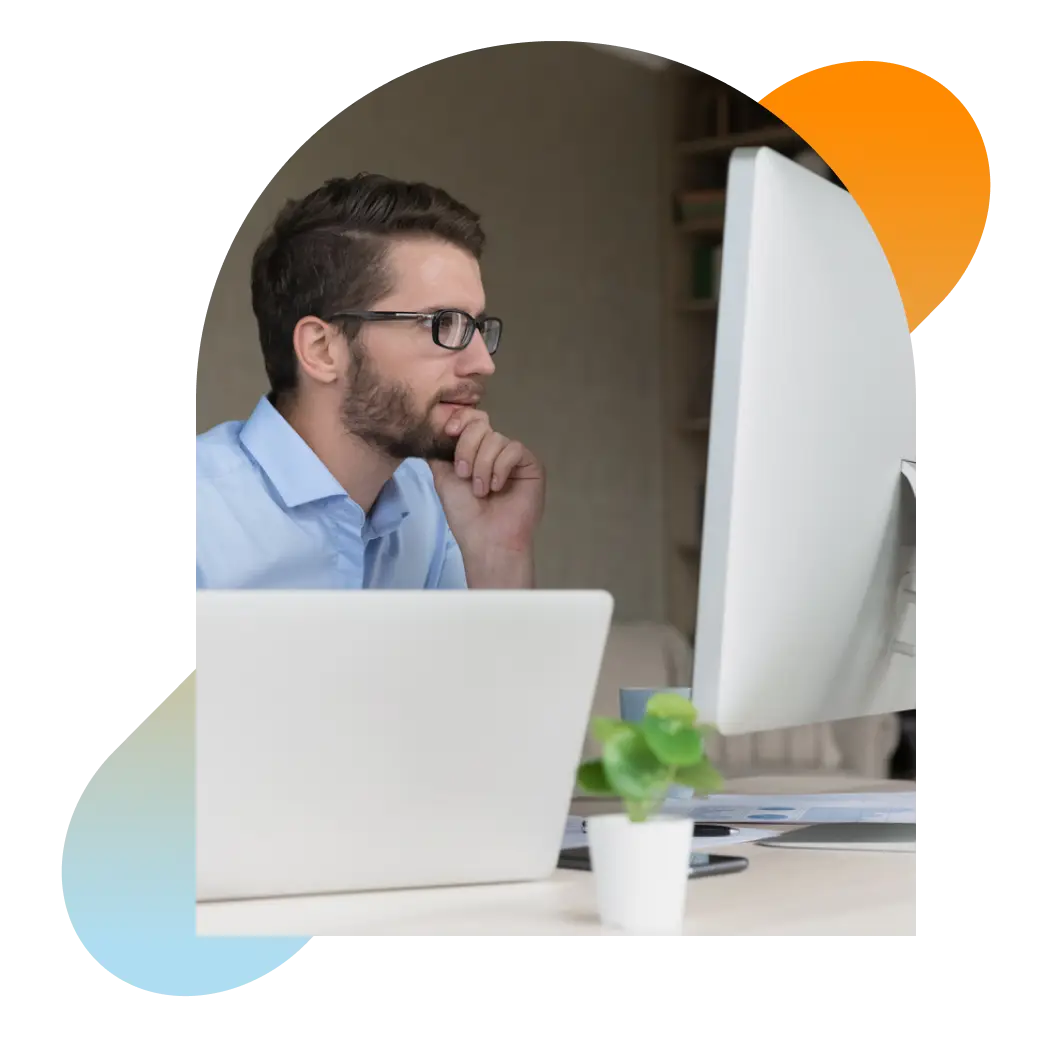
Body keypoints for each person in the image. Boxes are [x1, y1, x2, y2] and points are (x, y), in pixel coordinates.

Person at [194, 173, 545, 590]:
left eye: (476, 326)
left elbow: (489, 658)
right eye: (442, 323)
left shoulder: (438, 507)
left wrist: (497, 555)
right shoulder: (202, 513)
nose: (482, 362)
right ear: (323, 349)